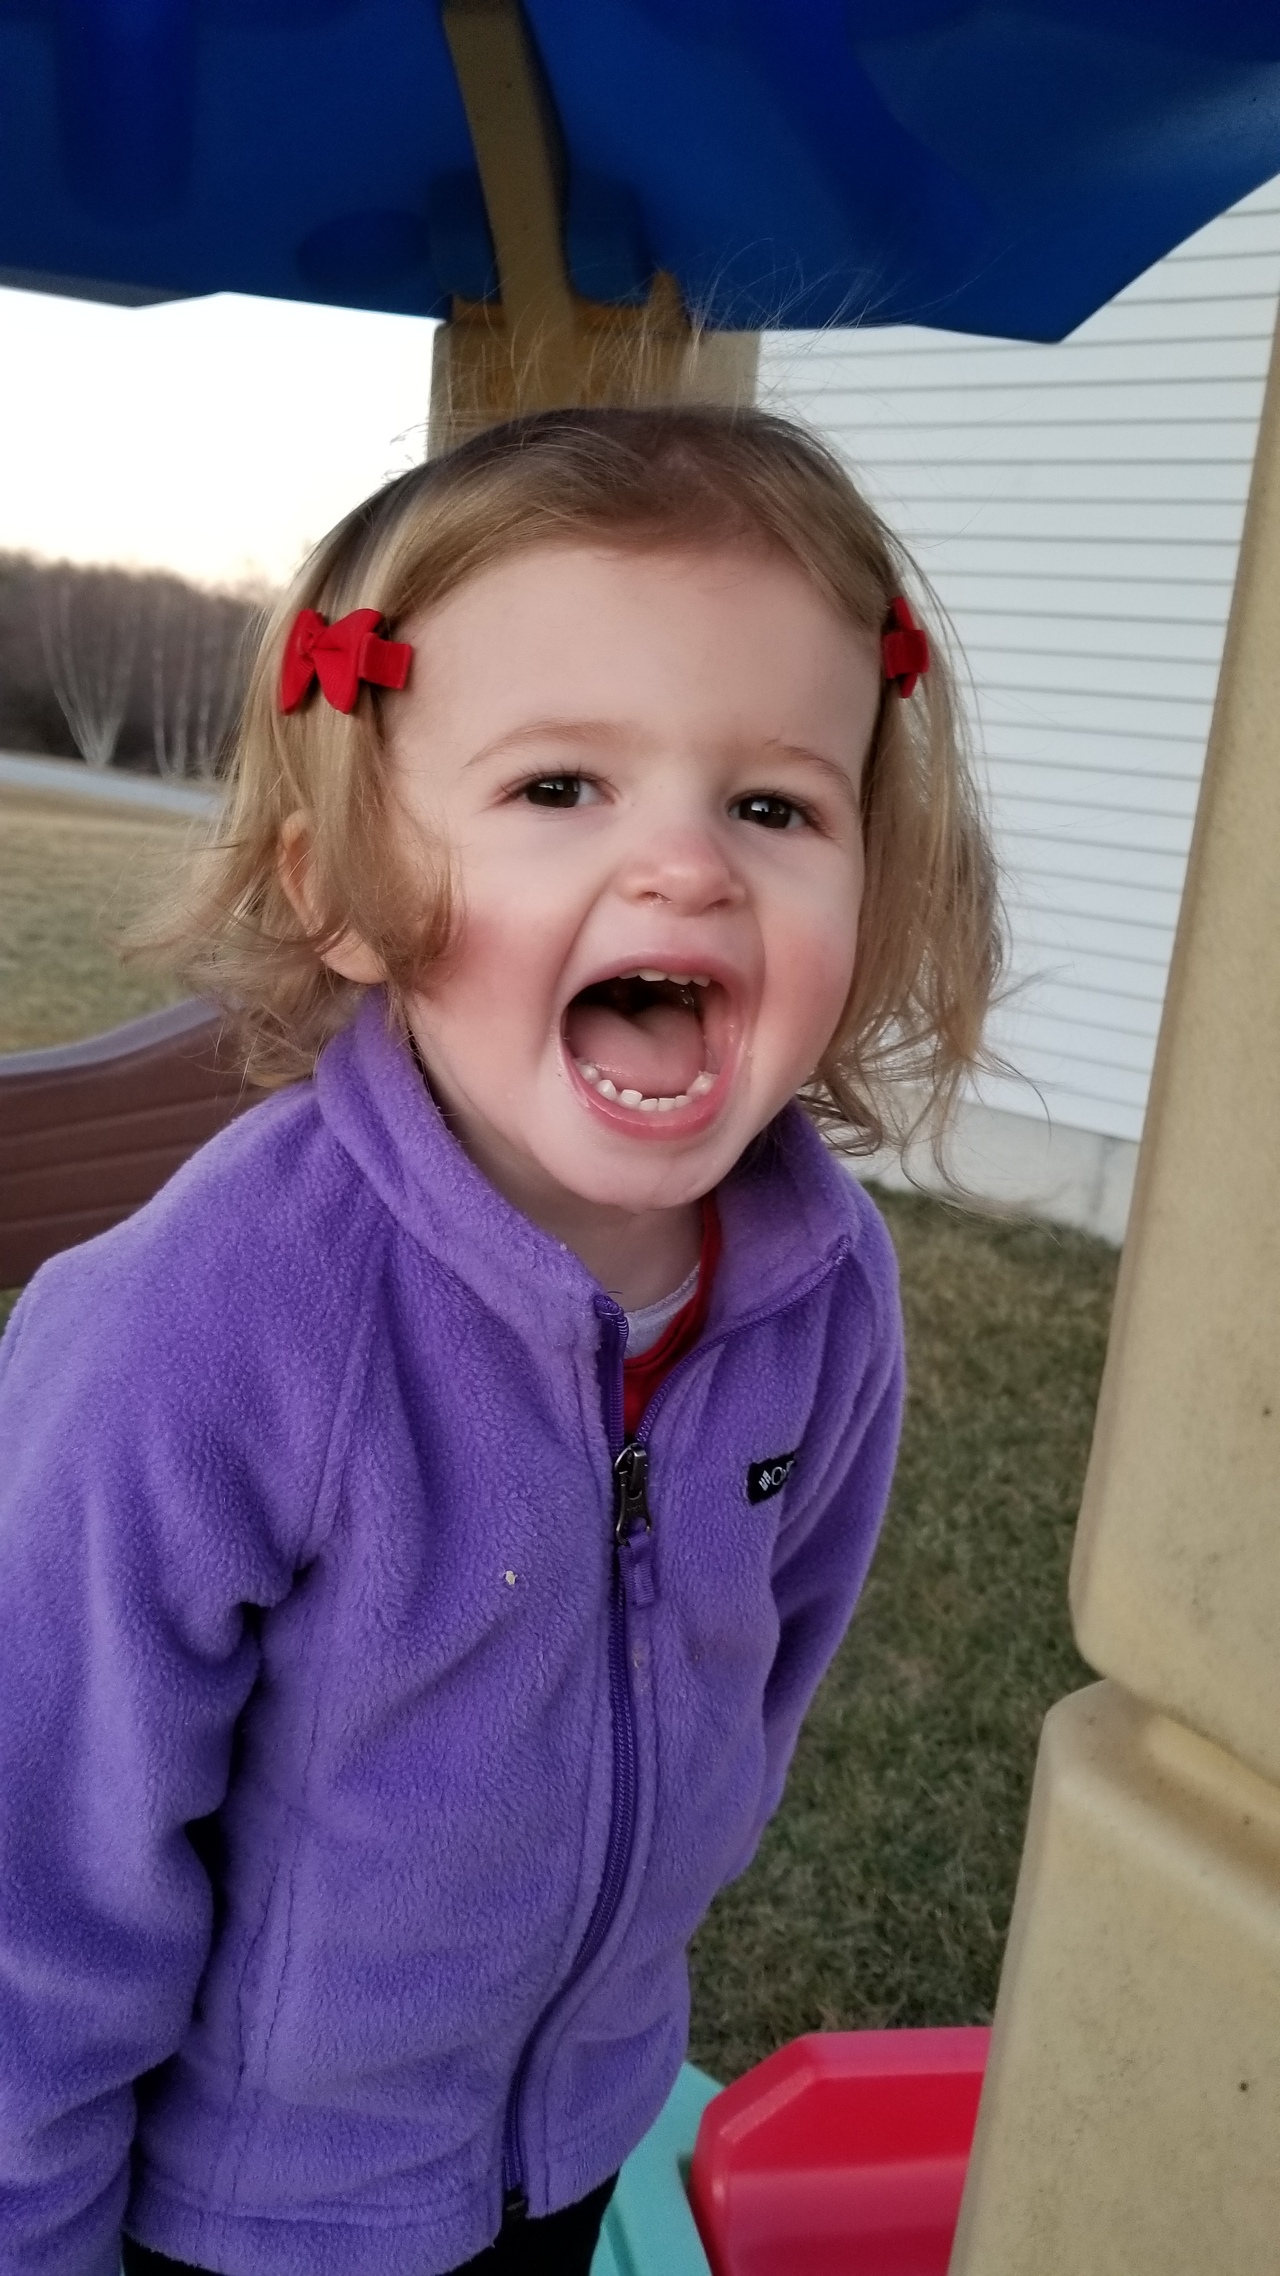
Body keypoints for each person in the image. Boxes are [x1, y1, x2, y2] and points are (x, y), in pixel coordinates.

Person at [0, 405, 1001, 2276]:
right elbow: (32, 1873)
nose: (687, 868)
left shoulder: (822, 1289)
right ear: (338, 890)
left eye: (773, 806)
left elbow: (765, 1677)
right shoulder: (196, 1331)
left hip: (577, 2137)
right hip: (256, 2222)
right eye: (560, 787)